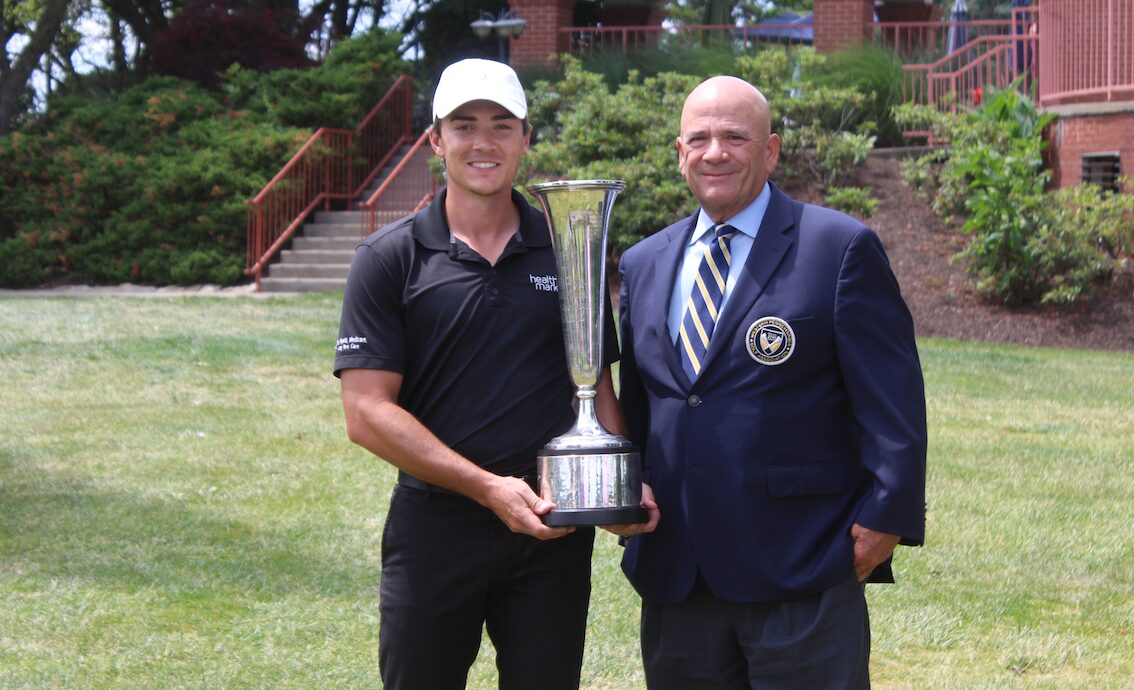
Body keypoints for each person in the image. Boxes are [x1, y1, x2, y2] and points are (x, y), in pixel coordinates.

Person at [616, 75, 927, 688]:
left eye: (735, 136)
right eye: (699, 138)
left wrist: (888, 517)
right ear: (679, 152)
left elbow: (893, 405)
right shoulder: (643, 262)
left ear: (772, 150)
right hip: (679, 574)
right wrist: (623, 490)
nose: (715, 152)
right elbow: (643, 406)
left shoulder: (838, 248)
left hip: (801, 564)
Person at [332, 58, 628, 690]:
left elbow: (596, 388)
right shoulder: (389, 259)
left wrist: (624, 490)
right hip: (435, 530)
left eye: (501, 124)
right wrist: (488, 487)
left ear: (526, 138)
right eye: (463, 125)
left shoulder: (570, 249)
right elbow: (366, 414)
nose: (483, 142)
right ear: (436, 141)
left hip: (552, 527)